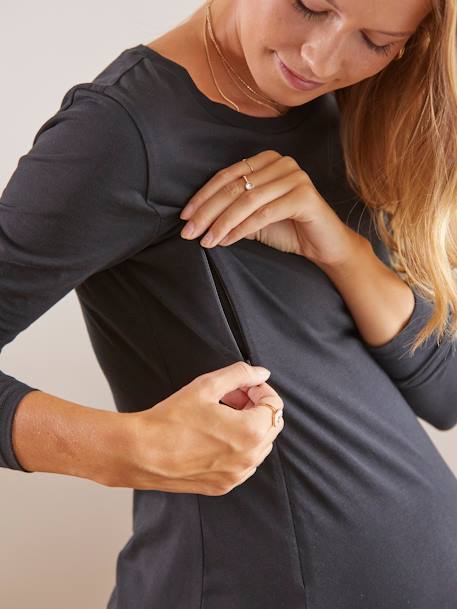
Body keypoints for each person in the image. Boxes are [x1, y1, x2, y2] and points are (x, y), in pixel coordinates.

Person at [1, 0, 457, 607]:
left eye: (374, 40)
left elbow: (444, 391)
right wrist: (127, 451)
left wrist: (343, 250)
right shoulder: (121, 132)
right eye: (309, 5)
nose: (320, 57)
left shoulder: (360, 105)